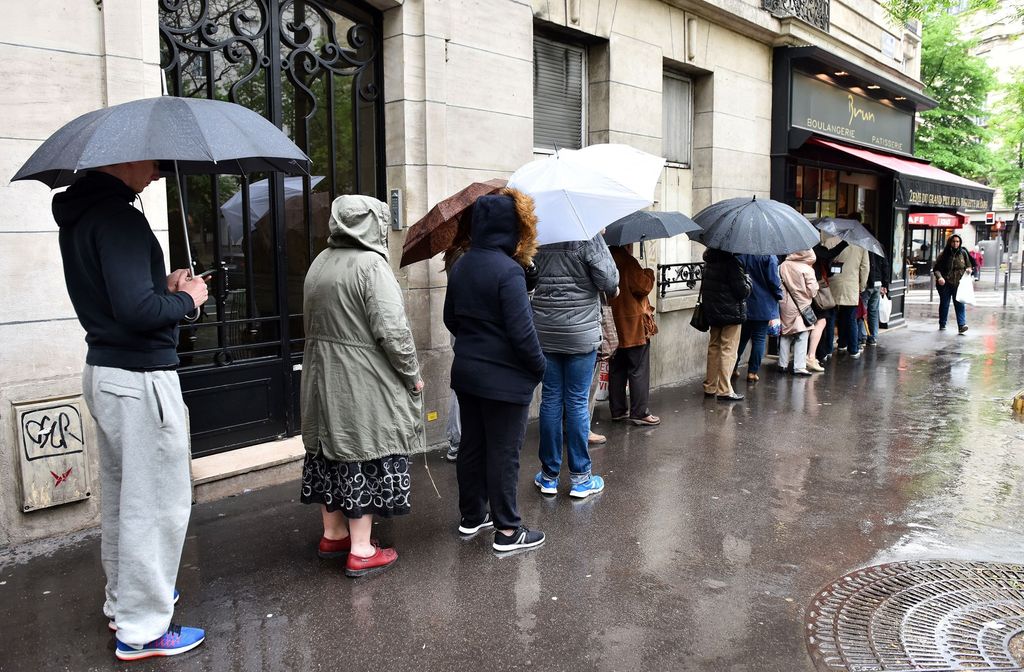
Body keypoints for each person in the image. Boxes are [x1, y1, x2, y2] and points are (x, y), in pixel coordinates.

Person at [53, 161, 210, 660]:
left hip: (108, 370)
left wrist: (159, 284)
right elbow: (137, 313)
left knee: (126, 501)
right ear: (123, 160)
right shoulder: (118, 218)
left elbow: (119, 298)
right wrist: (188, 299)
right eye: (156, 164)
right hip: (140, 378)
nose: (161, 173)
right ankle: (143, 629)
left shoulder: (83, 214)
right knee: (156, 505)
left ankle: (127, 603)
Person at [301, 195, 424, 578]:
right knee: (360, 450)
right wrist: (412, 374)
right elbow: (393, 331)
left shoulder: (319, 262)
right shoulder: (371, 266)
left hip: (321, 376)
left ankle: (333, 533)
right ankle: (361, 549)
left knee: (328, 451)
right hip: (360, 379)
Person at [444, 190, 548, 552]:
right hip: (506, 380)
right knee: (505, 452)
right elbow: (523, 333)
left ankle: (473, 517)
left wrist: (478, 341)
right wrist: (540, 367)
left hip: (469, 374)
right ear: (513, 227)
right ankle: (508, 531)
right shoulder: (508, 271)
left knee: (473, 446)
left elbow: (450, 319)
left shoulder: (462, 264)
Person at [532, 232, 619, 498]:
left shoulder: (539, 234)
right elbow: (609, 280)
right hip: (581, 334)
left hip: (545, 331)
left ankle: (549, 477)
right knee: (578, 402)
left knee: (550, 400)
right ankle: (581, 478)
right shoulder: (586, 235)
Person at [607, 244, 660, 425]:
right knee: (638, 369)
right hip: (632, 326)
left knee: (617, 369)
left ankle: (618, 410)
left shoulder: (605, 259)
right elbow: (642, 287)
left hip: (612, 324)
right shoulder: (628, 261)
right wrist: (649, 272)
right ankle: (640, 412)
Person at [701, 248, 751, 401]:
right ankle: (724, 390)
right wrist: (748, 282)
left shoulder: (709, 262)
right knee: (728, 350)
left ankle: (710, 386)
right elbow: (742, 291)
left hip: (713, 312)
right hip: (730, 313)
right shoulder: (732, 263)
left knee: (714, 347)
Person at [735, 254, 782, 383]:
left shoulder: (743, 255)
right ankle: (752, 372)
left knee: (742, 338)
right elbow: (774, 281)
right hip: (764, 304)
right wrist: (779, 294)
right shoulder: (769, 257)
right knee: (759, 339)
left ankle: (733, 368)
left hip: (746, 302)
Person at [821, 234, 868, 359]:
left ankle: (828, 349)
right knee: (851, 319)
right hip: (851, 286)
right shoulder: (861, 244)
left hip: (832, 284)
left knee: (830, 319)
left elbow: (824, 262)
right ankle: (853, 349)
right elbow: (865, 267)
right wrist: (861, 286)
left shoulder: (830, 241)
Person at [777, 249, 820, 376]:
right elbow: (813, 291)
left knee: (785, 333)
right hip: (802, 305)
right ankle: (799, 366)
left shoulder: (782, 265)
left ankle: (782, 364)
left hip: (784, 304)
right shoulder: (807, 269)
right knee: (802, 334)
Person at [811, 236, 848, 364]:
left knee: (812, 324)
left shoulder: (799, 250)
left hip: (805, 292)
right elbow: (829, 254)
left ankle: (816, 353)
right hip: (816, 291)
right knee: (821, 322)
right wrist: (844, 243)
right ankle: (817, 354)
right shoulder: (815, 250)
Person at [933, 233, 976, 334]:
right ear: (950, 242)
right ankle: (942, 323)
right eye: (953, 241)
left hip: (959, 284)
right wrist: (940, 277)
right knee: (945, 304)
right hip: (945, 284)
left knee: (959, 304)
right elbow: (936, 269)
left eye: (957, 242)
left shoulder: (963, 253)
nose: (955, 243)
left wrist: (969, 269)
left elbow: (969, 265)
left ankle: (961, 325)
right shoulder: (943, 254)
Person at [859, 252, 889, 346]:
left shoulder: (863, 247)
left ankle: (863, 336)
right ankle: (873, 336)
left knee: (862, 311)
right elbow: (885, 266)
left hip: (867, 283)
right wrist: (885, 284)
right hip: (878, 283)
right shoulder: (878, 247)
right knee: (873, 311)